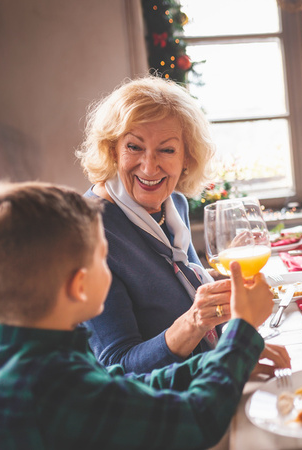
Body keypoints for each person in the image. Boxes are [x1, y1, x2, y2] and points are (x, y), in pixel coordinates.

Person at [0, 182, 273, 449]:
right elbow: (199, 419)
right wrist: (242, 328)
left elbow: (120, 387)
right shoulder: (55, 388)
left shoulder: (32, 355)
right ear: (79, 286)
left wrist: (217, 361)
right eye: (104, 259)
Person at [76, 76, 289, 373]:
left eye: (167, 150)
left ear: (187, 157)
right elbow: (118, 368)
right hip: (158, 408)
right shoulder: (86, 234)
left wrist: (234, 350)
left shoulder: (172, 204)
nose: (149, 167)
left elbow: (180, 290)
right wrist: (196, 322)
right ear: (113, 150)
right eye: (134, 147)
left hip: (202, 376)